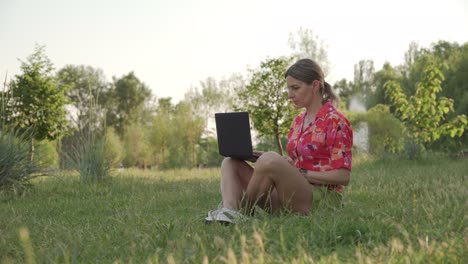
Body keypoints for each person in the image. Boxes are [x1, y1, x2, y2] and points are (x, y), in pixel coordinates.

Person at [205, 58, 353, 225]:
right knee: (230, 162)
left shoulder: (335, 121)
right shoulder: (298, 121)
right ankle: (230, 211)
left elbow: (344, 176)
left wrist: (300, 172)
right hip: (290, 193)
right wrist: (265, 159)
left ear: (315, 86)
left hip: (320, 199)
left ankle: (242, 212)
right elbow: (295, 162)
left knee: (269, 159)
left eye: (295, 88)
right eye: (289, 89)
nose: (290, 95)